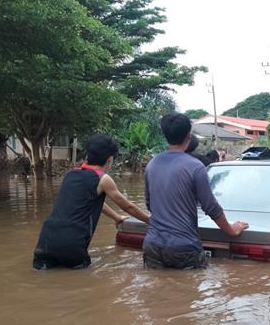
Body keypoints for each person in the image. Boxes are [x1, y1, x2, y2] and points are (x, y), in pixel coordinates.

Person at [144, 113, 248, 269]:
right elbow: (211, 207)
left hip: (152, 245)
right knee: (190, 291)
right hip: (184, 247)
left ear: (165, 135)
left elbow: (149, 205)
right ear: (188, 135)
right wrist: (232, 230)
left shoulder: (152, 164)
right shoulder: (195, 167)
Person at [33, 134, 150, 269]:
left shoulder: (70, 174)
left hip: (45, 243)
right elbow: (128, 207)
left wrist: (117, 218)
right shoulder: (103, 179)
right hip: (72, 247)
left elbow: (92, 202)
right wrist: (150, 221)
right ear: (109, 160)